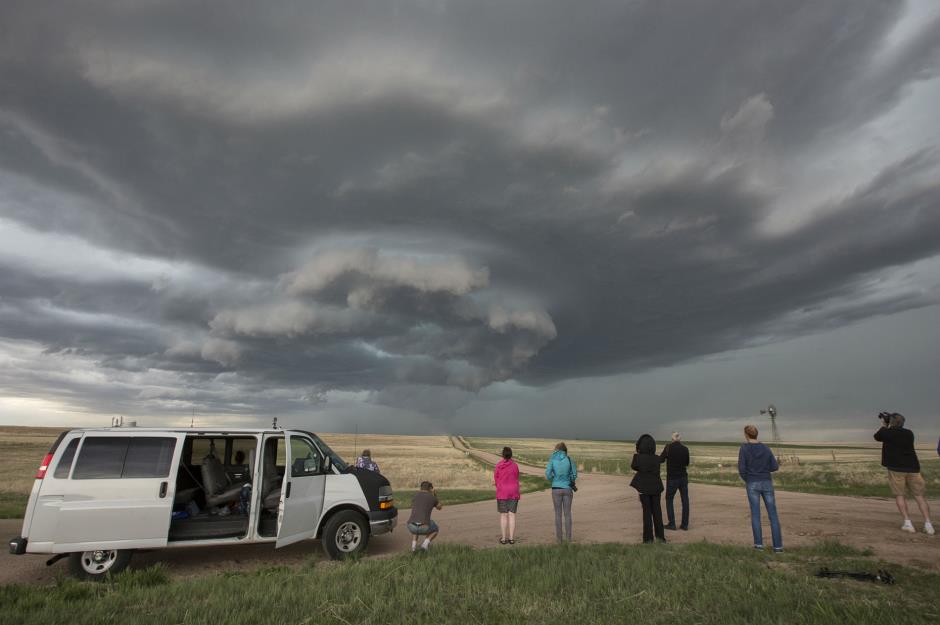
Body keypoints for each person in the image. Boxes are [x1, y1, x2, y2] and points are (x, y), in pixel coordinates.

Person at [874, 412, 934, 535]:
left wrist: (884, 424)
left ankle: (908, 523)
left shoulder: (887, 432)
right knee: (919, 496)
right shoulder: (909, 433)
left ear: (890, 422)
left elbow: (877, 436)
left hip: (896, 469)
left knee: (900, 495)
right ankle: (928, 524)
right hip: (913, 468)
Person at [738, 425, 783, 552]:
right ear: (756, 434)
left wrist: (749, 479)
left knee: (756, 515)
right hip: (767, 482)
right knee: (773, 515)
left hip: (752, 483)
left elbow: (742, 469)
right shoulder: (766, 448)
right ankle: (778, 547)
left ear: (746, 435)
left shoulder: (744, 449)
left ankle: (759, 546)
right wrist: (763, 469)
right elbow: (775, 467)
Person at [631, 434, 665, 543]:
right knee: (657, 513)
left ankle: (648, 539)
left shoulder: (638, 458)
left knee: (647, 513)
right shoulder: (657, 458)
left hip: (644, 489)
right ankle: (660, 537)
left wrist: (638, 452)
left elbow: (634, 466)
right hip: (656, 488)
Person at [545, 442, 577, 543]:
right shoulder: (569, 459)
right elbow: (574, 475)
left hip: (556, 488)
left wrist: (554, 479)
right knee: (567, 514)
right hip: (567, 488)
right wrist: (569, 479)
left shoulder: (552, 459)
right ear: (565, 450)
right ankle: (569, 539)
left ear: (557, 449)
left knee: (557, 514)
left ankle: (559, 540)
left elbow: (548, 474)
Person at [660, 431, 690, 531]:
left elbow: (661, 459)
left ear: (672, 439)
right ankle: (684, 524)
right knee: (685, 500)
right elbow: (687, 463)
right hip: (683, 477)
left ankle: (672, 523)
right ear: (680, 439)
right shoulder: (685, 449)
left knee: (669, 499)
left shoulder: (668, 447)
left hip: (672, 478)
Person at [494, 446, 521, 544]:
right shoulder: (515, 465)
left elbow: (496, 478)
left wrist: (499, 485)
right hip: (513, 492)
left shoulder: (498, 465)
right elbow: (517, 476)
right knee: (512, 515)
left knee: (503, 515)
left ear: (502, 455)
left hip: (502, 492)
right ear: (511, 455)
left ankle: (504, 538)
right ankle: (511, 539)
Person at [406, 481, 442, 551]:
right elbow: (439, 507)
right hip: (424, 527)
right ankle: (424, 545)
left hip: (411, 526)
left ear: (421, 488)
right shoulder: (432, 497)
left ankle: (413, 548)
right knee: (435, 529)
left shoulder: (415, 496)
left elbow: (411, 505)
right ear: (430, 488)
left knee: (416, 522)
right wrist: (435, 496)